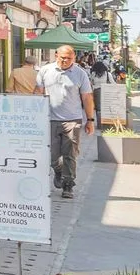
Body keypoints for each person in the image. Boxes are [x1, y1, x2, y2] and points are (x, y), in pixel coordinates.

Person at [36, 44, 96, 200]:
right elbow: (38, 94)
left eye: (69, 58)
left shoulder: (80, 74)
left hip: (72, 120)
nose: (65, 61)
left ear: (74, 58)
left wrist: (90, 120)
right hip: (50, 119)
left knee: (70, 154)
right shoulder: (45, 71)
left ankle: (68, 184)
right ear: (56, 55)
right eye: (63, 58)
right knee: (51, 155)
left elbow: (87, 97)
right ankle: (58, 170)